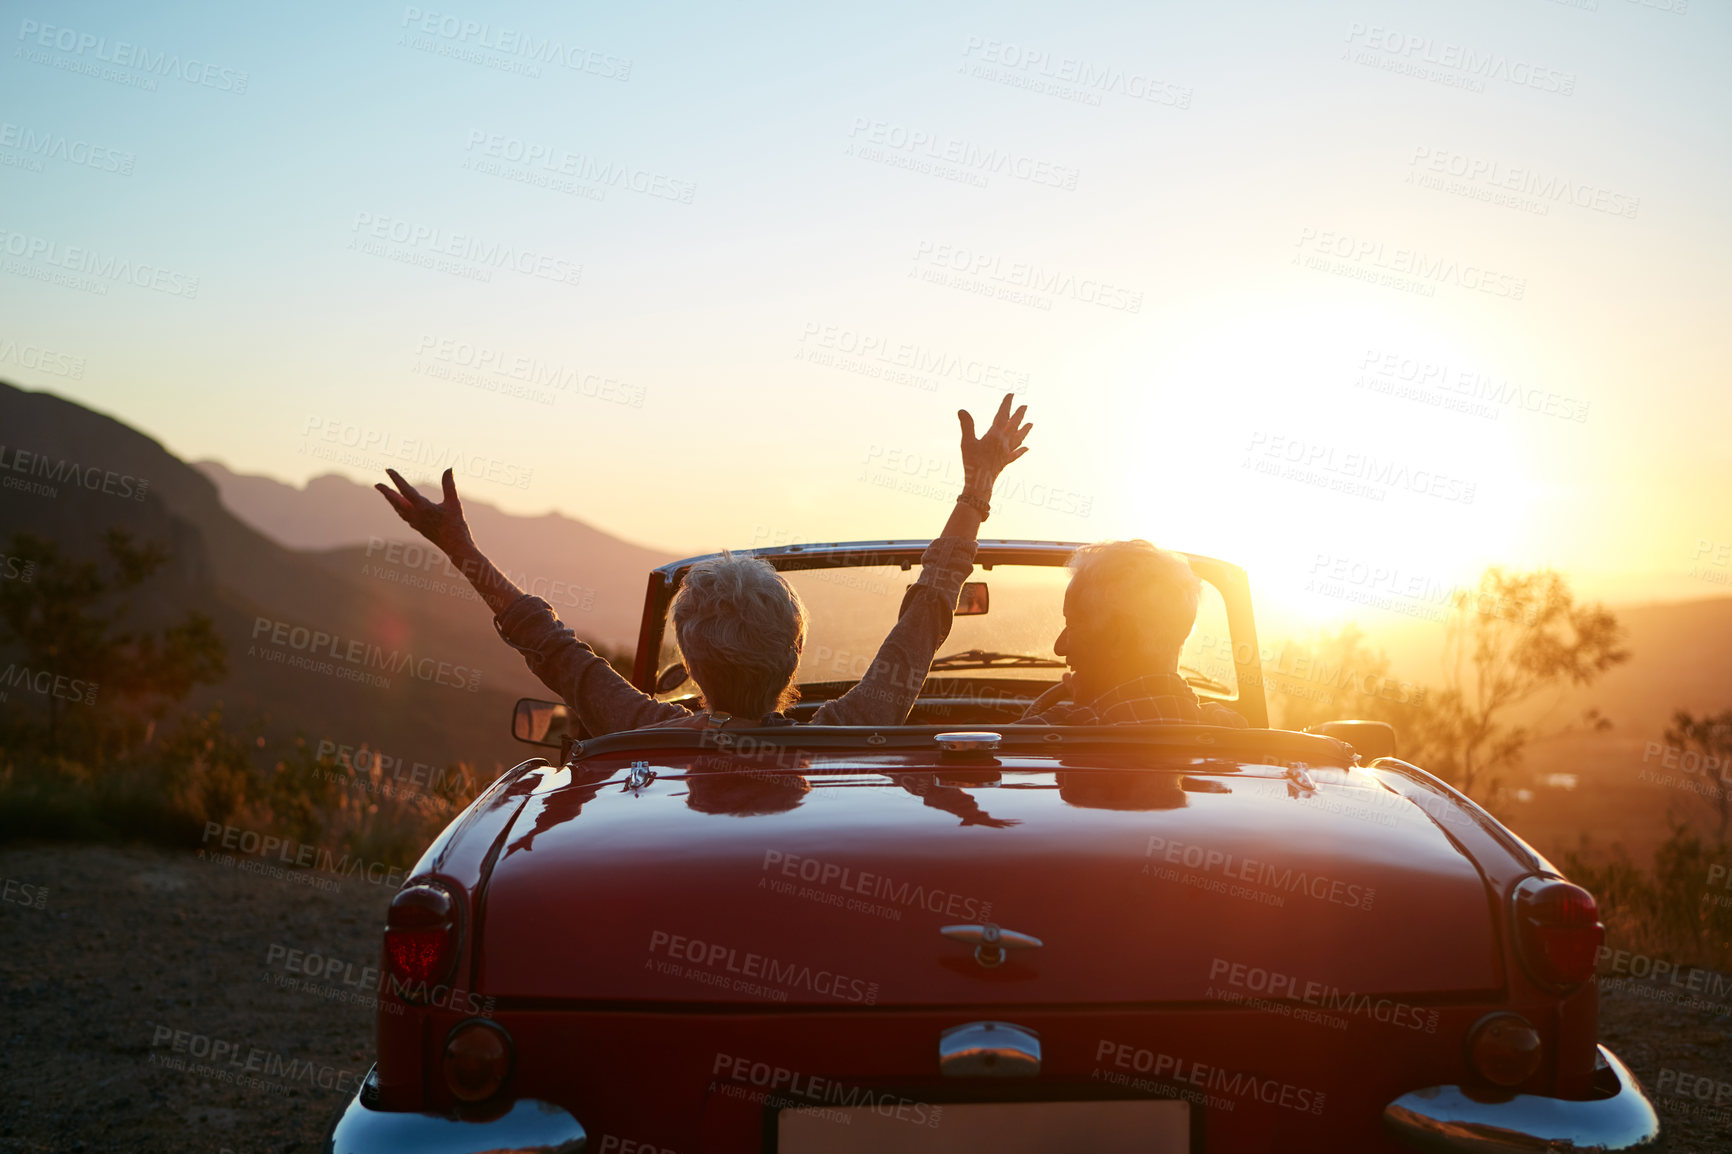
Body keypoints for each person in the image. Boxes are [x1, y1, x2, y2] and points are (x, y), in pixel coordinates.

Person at [375, 394, 1032, 734]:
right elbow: (928, 613)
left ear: (688, 664)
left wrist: (460, 549)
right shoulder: (854, 728)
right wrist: (977, 489)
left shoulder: (646, 729)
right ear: (795, 648)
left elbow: (547, 642)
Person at [1019, 539, 1248, 728]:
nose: (1060, 647)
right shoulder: (1233, 731)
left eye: (1074, 624)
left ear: (1118, 637)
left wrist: (1083, 708)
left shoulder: (1045, 732)